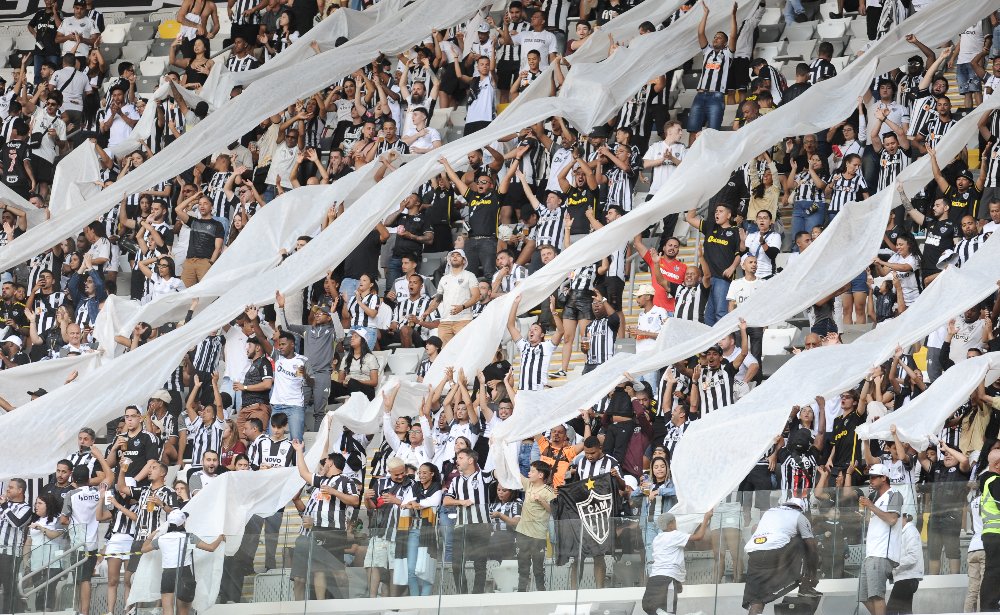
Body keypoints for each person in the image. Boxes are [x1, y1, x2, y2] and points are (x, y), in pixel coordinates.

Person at [743, 498, 820, 614]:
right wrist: (813, 573)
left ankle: (755, 610)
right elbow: (811, 545)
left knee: (756, 599)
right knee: (804, 541)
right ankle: (805, 584)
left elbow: (754, 529)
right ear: (801, 509)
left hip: (755, 553)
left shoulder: (770, 512)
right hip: (776, 553)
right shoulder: (799, 516)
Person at [140, 509, 225, 615]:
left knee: (167, 610)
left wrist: (150, 537)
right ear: (183, 523)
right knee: (183, 612)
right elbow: (211, 548)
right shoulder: (189, 538)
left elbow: (143, 549)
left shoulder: (162, 538)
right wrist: (220, 538)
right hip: (184, 573)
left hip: (167, 574)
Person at [641, 510, 712, 615]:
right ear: (670, 525)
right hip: (668, 579)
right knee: (669, 610)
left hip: (654, 578)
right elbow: (699, 536)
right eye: (675, 522)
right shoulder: (675, 535)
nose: (676, 524)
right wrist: (705, 519)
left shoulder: (657, 539)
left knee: (649, 607)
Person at [685, 203, 743, 326]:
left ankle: (725, 343)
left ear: (728, 215)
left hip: (723, 278)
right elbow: (689, 218)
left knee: (721, 313)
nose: (717, 213)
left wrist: (732, 268)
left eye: (721, 211)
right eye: (716, 211)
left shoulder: (735, 231)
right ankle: (712, 344)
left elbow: (739, 253)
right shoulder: (710, 227)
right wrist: (695, 200)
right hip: (706, 278)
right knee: (707, 315)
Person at [687, 2, 738, 141]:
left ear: (725, 43)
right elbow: (700, 32)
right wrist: (705, 14)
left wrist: (733, 15)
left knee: (712, 133)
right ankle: (691, 159)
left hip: (716, 97)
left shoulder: (728, 54)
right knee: (693, 130)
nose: (715, 38)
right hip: (700, 95)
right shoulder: (707, 51)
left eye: (719, 37)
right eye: (715, 37)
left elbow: (733, 35)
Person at [858, 463, 903, 615]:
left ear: (884, 478)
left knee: (877, 596)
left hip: (882, 553)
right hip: (871, 553)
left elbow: (892, 519)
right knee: (864, 596)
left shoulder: (894, 494)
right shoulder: (877, 499)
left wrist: (871, 507)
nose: (870, 481)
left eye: (874, 477)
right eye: (869, 478)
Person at [421, 248, 481, 345]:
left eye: (458, 255)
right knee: (445, 352)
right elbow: (438, 299)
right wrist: (427, 312)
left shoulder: (470, 275)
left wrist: (462, 307)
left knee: (462, 350)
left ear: (464, 260)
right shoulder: (444, 278)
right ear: (449, 260)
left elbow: (476, 296)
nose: (455, 257)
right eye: (452, 255)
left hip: (463, 320)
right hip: (445, 321)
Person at [515, 460, 554, 592]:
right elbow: (516, 474)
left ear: (541, 475)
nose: (529, 473)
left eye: (532, 471)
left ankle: (541, 593)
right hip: (522, 532)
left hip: (538, 535)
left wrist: (541, 500)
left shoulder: (549, 492)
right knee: (522, 566)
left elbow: (553, 511)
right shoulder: (528, 485)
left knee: (538, 568)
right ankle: (521, 593)